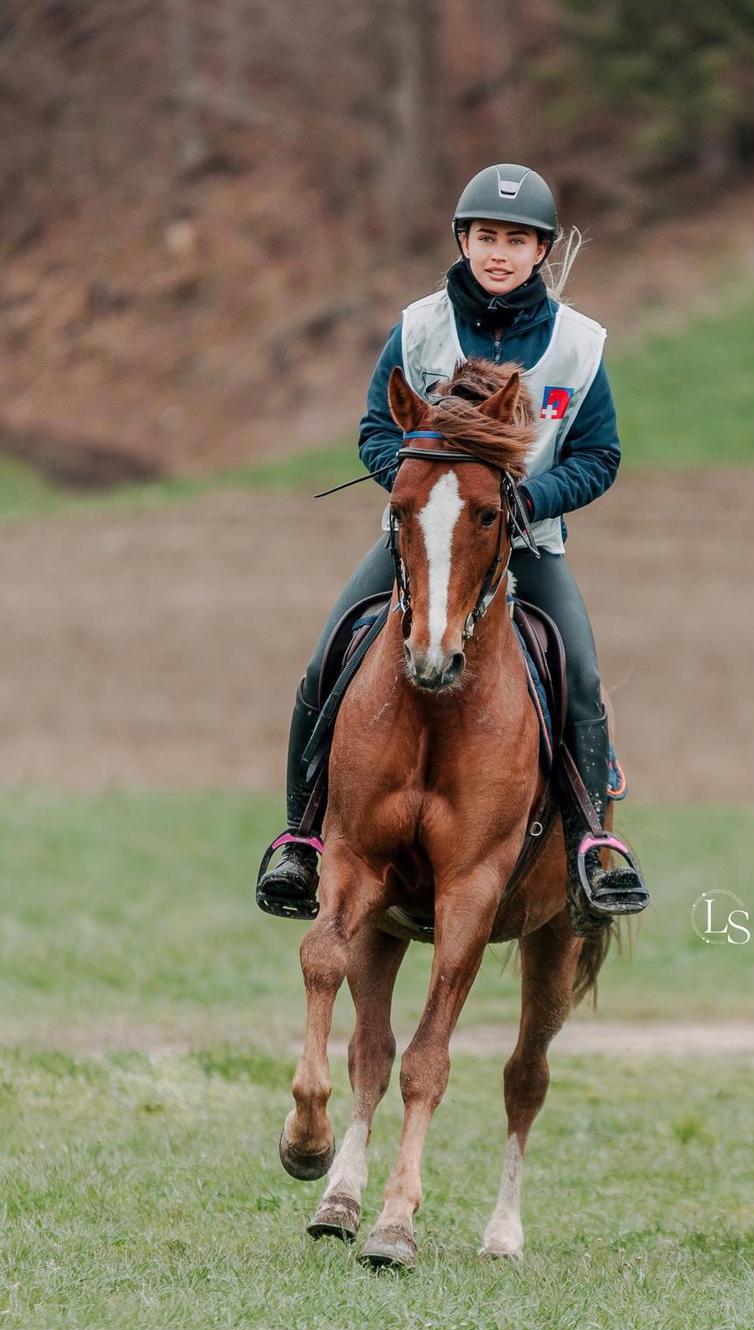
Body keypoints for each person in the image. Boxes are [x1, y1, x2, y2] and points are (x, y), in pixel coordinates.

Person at [257, 163, 647, 924]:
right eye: (485, 236)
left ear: (541, 251)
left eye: (516, 240)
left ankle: (593, 843)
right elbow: (377, 428)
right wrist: (414, 492)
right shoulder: (418, 326)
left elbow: (599, 457)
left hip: (528, 545)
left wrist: (524, 500)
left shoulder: (580, 346)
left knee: (585, 678)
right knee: (324, 656)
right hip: (424, 543)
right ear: (464, 241)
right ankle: (301, 837)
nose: (498, 252)